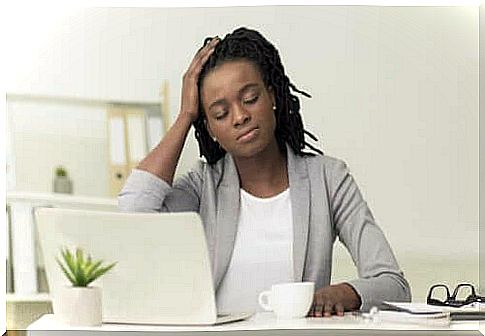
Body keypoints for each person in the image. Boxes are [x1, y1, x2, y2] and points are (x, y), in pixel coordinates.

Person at [118, 27, 411, 317]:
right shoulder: (202, 186)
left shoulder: (328, 178)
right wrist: (185, 116)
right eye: (220, 113)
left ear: (271, 96)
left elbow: (393, 285)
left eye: (249, 99)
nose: (240, 116)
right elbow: (133, 213)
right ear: (210, 128)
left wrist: (342, 293)